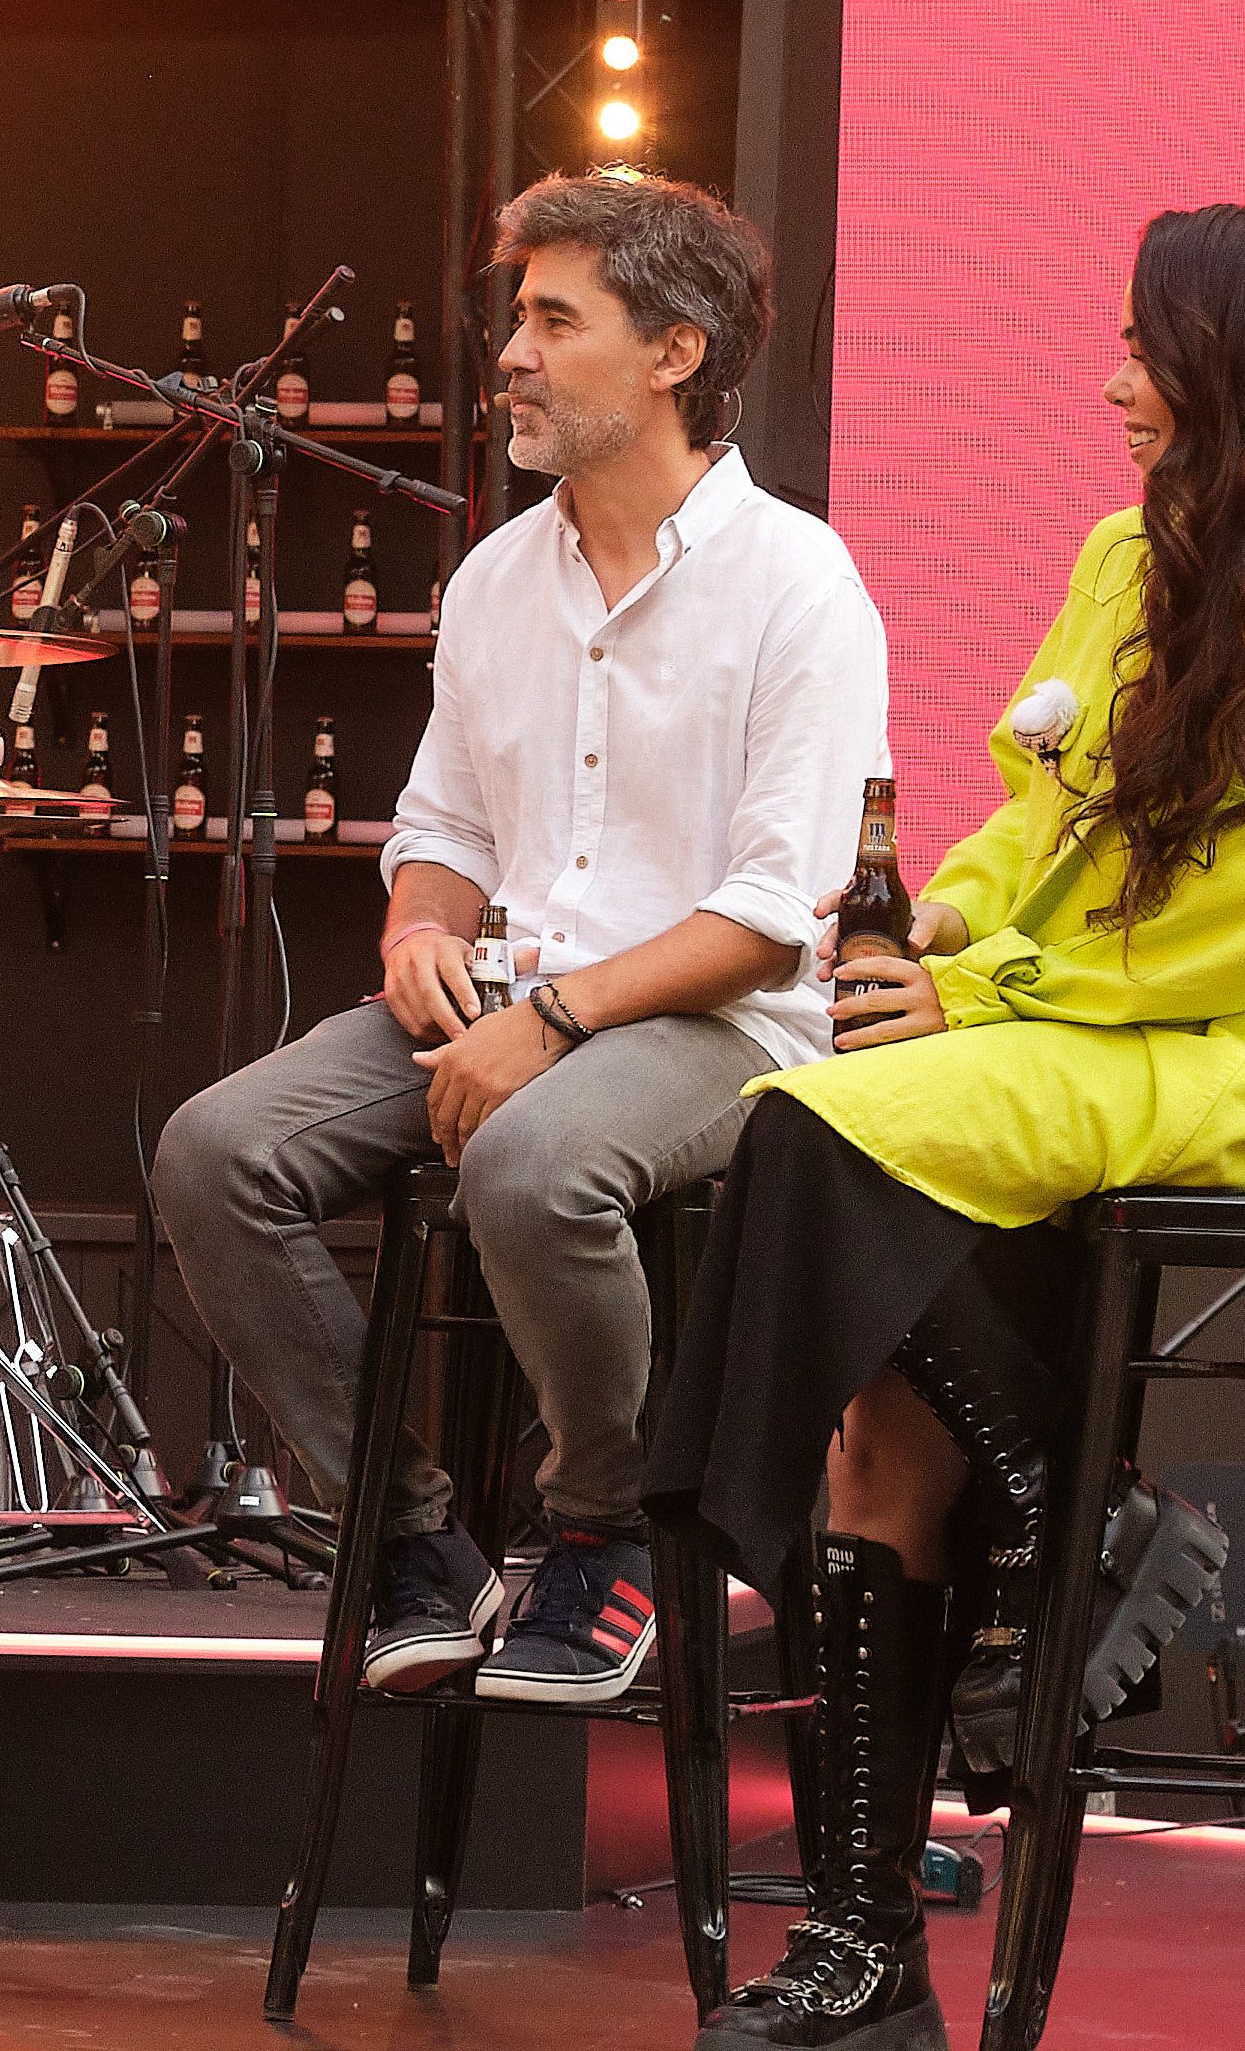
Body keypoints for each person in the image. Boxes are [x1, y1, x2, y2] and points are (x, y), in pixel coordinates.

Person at [658, 203, 1245, 2051]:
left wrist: (992, 990)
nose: (1112, 382)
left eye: (1144, 348)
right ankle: (873, 1948)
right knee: (878, 1435)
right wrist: (949, 913)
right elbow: (1044, 809)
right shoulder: (1130, 556)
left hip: (1231, 1062)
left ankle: (1067, 1503)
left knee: (803, 1130)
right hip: (1056, 1033)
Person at [150, 170, 886, 1709]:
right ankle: (414, 1537)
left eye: (558, 319)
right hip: (505, 996)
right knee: (217, 1150)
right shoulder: (497, 578)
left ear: (676, 351)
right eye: (518, 317)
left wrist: (550, 1022)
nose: (512, 353)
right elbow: (447, 829)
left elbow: (771, 916)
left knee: (533, 1161)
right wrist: (426, 926)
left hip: (719, 1020)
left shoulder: (798, 581)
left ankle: (602, 1528)